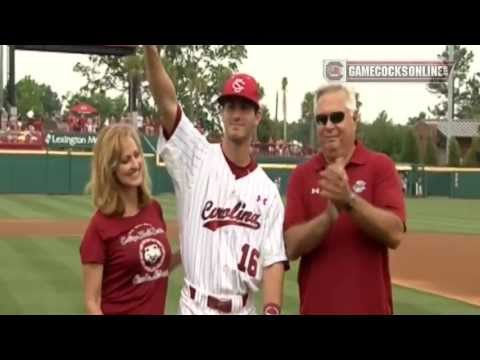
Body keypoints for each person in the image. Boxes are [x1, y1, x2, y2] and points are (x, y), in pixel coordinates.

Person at [144, 45, 286, 315]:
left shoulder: (268, 191)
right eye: (230, 105)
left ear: (258, 116)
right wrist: (150, 49)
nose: (236, 114)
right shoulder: (196, 157)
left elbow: (274, 259)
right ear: (221, 112)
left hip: (244, 308)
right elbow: (166, 104)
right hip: (196, 306)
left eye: (245, 107)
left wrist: (272, 308)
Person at [284, 84, 406, 315]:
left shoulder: (380, 166)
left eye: (337, 117)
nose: (329, 126)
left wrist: (348, 201)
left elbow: (395, 234)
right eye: (321, 120)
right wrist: (328, 217)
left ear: (355, 118)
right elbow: (291, 246)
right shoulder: (302, 174)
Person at [80, 123, 180, 315]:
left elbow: (156, 267)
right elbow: (92, 302)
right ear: (110, 169)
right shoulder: (99, 227)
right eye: (126, 160)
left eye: (137, 155)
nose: (135, 165)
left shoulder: (153, 209)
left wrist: (186, 251)